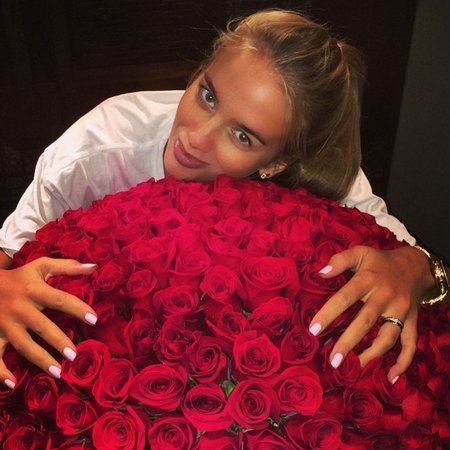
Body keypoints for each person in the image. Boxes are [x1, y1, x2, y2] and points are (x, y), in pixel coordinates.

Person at [0, 9, 446, 391]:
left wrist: (411, 269)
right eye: (208, 95)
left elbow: (411, 259)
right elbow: (9, 250)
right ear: (199, 71)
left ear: (279, 162)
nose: (196, 138)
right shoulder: (99, 148)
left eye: (242, 136)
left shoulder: (325, 176)